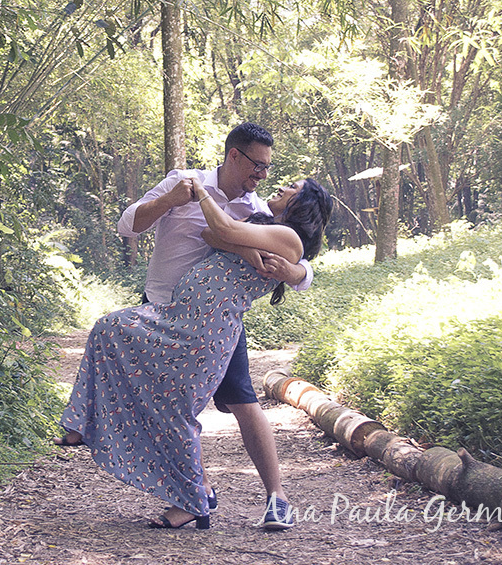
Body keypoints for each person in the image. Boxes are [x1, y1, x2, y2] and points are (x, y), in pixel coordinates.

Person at [54, 177, 332, 530]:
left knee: (188, 409)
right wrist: (247, 248)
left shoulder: (287, 235)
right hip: (178, 315)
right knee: (110, 332)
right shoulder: (262, 217)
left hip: (206, 330)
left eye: (292, 186)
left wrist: (201, 194)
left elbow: (228, 229)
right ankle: (85, 425)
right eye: (259, 166)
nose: (273, 181)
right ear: (237, 157)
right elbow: (212, 235)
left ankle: (247, 499)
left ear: (304, 203)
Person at [114, 122, 309, 529]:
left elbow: (299, 253)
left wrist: (294, 272)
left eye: (268, 168)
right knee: (165, 406)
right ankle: (196, 491)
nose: (263, 175)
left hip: (218, 323)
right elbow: (128, 224)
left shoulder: (254, 209)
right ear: (233, 155)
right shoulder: (184, 181)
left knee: (243, 401)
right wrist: (169, 199)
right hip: (161, 309)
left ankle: (278, 498)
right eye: (257, 164)